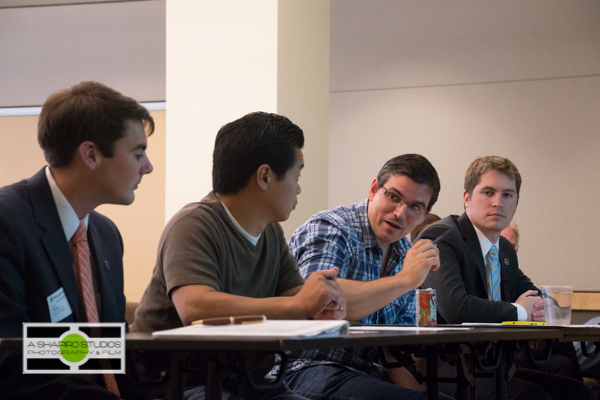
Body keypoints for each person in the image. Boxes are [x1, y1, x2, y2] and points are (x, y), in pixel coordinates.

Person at [132, 112, 345, 400]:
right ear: (265, 176)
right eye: (297, 174)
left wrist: (323, 304)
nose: (298, 188)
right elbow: (194, 307)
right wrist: (299, 305)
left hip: (248, 382)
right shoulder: (194, 223)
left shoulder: (271, 233)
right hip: (178, 383)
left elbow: (299, 298)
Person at [0, 81, 155, 399]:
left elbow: (111, 349)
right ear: (91, 154)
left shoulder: (107, 235)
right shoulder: (7, 222)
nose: (147, 167)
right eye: (138, 153)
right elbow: (12, 356)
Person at [419, 156, 592, 400]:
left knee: (577, 392)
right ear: (466, 197)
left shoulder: (504, 248)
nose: (498, 202)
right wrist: (521, 311)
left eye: (508, 195)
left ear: (516, 202)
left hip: (494, 361)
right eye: (488, 192)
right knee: (534, 396)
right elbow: (457, 308)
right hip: (449, 367)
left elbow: (533, 294)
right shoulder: (442, 238)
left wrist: (545, 306)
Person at [283, 154, 446, 400]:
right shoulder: (331, 228)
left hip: (366, 373)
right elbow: (318, 303)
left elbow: (392, 353)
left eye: (415, 207)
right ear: (373, 189)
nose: (400, 213)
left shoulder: (404, 252)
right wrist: (405, 279)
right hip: (304, 368)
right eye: (393, 197)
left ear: (426, 214)